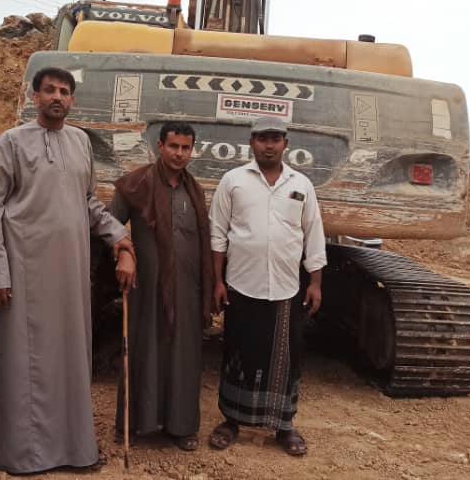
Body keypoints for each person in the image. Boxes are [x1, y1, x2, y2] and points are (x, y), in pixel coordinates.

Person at [0, 66, 135, 474]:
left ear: (72, 100)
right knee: (26, 361)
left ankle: (74, 449)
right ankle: (24, 455)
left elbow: (88, 202)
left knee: (69, 358)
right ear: (35, 97)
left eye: (65, 91)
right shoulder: (12, 142)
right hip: (23, 272)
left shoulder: (80, 141)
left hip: (70, 273)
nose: (57, 97)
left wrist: (119, 236)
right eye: (49, 90)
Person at [207, 115, 327, 457]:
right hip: (241, 285)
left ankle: (284, 425)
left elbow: (313, 234)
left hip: (286, 288)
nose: (269, 145)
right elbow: (218, 234)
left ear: (285, 143)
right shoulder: (233, 181)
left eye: (275, 139)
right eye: (262, 139)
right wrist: (217, 281)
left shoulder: (301, 184)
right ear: (252, 143)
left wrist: (315, 283)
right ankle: (231, 420)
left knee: (286, 360)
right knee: (238, 354)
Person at [109, 122, 213, 451]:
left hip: (187, 289)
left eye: (185, 148)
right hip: (147, 288)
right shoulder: (136, 183)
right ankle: (135, 423)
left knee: (184, 355)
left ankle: (180, 427)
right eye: (173, 146)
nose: (179, 154)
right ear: (160, 146)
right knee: (143, 350)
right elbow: (110, 224)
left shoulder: (194, 190)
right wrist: (124, 252)